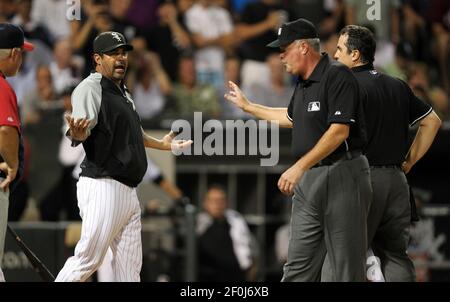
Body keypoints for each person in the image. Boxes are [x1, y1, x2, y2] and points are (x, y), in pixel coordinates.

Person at [225, 18, 371, 282]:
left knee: (343, 269)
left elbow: (339, 131)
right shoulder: (303, 84)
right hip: (311, 179)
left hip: (342, 173)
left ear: (303, 47)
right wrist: (249, 107)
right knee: (296, 266)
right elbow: (291, 117)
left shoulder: (337, 75)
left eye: (285, 48)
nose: (280, 56)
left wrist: (299, 166)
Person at [55, 31, 192, 282]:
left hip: (128, 190)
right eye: (113, 53)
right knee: (88, 259)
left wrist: (163, 145)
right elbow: (82, 127)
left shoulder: (122, 92)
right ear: (97, 58)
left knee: (129, 272)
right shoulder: (91, 87)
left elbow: (135, 134)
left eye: (123, 52)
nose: (121, 58)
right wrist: (77, 132)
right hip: (103, 185)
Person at [324, 25, 441, 282]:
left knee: (340, 256)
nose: (334, 54)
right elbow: (432, 121)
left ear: (355, 55)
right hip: (396, 181)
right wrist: (409, 161)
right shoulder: (397, 85)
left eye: (340, 49)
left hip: (360, 180)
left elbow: (334, 134)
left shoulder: (346, 85)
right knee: (395, 255)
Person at [0, 23, 34, 281]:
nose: (22, 58)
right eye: (21, 52)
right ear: (13, 53)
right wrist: (12, 166)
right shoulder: (2, 87)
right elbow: (5, 129)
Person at [196, 184, 254, 282]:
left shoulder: (236, 222)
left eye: (221, 200)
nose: (218, 204)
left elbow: (251, 253)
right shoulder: (198, 224)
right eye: (214, 201)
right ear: (206, 203)